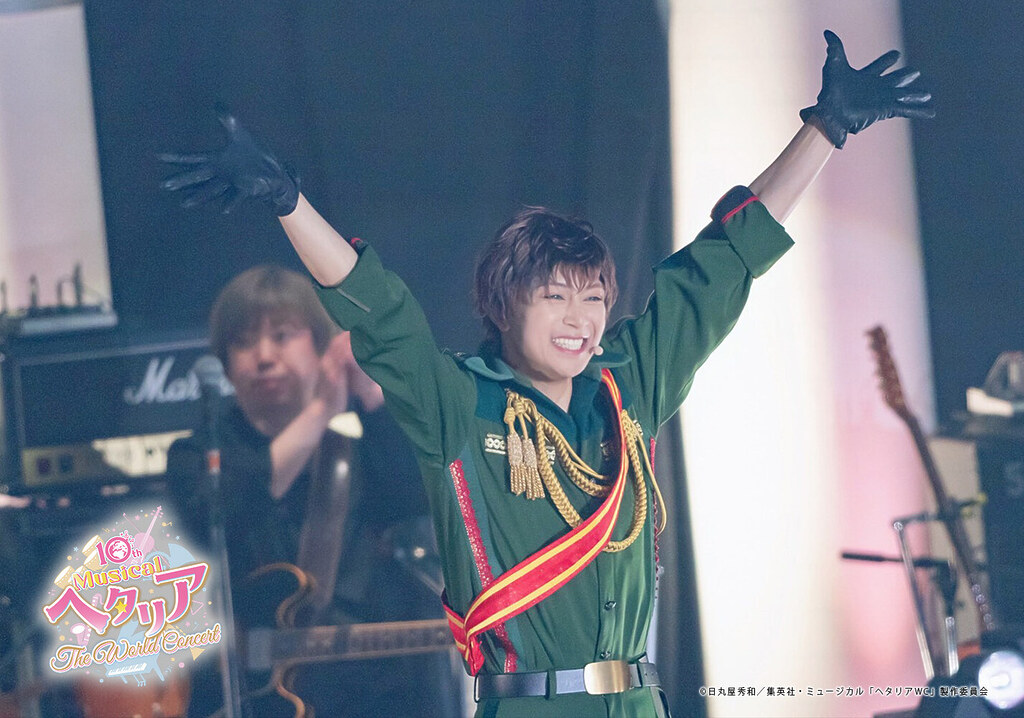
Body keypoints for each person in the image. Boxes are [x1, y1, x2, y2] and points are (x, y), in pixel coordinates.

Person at [161, 30, 933, 717]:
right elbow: (382, 314)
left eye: (593, 297)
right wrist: (289, 201)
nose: (580, 318)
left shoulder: (629, 384)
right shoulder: (459, 405)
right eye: (554, 296)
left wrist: (825, 129)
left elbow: (721, 264)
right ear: (502, 304)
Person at [164, 265, 460, 717]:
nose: (264, 356)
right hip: (250, 699)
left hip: (375, 695)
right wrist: (322, 408)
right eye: (244, 342)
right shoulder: (199, 458)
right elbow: (224, 508)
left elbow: (427, 499)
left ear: (320, 347)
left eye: (282, 336)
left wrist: (373, 394)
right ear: (224, 362)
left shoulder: (359, 451)